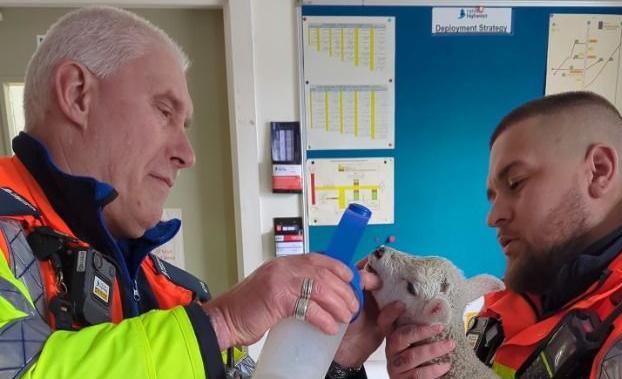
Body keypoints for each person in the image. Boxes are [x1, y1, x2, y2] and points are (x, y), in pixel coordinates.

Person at [0, 6, 383, 378]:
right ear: (77, 93)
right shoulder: (200, 321)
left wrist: (330, 359)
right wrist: (222, 322)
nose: (187, 154)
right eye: (165, 112)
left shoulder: (176, 294)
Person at [380, 92, 622, 378]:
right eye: (493, 197)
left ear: (598, 170)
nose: (493, 217)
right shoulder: (499, 307)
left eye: (515, 183)